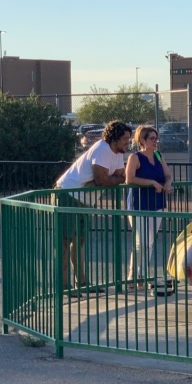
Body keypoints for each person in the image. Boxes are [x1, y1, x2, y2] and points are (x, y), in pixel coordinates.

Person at [54, 120, 133, 292]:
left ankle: (81, 283)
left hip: (84, 199)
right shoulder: (102, 149)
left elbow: (120, 177)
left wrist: (110, 180)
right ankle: (63, 286)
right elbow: (103, 179)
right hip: (68, 194)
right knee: (65, 241)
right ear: (115, 138)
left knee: (79, 240)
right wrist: (106, 180)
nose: (128, 142)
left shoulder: (118, 153)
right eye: (126, 138)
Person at [125, 125, 173, 292]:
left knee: (150, 241)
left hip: (156, 203)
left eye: (156, 138)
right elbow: (129, 178)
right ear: (142, 140)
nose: (155, 141)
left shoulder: (158, 156)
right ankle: (132, 275)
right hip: (139, 204)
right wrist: (151, 183)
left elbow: (168, 174)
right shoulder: (135, 157)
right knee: (140, 241)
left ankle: (143, 274)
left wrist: (167, 182)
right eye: (152, 138)